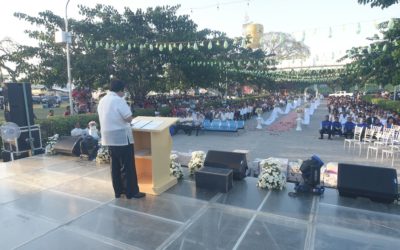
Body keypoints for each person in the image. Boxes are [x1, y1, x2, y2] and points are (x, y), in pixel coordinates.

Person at [97, 79, 145, 199]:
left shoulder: (102, 100)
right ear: (120, 90)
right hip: (121, 137)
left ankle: (118, 191)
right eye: (123, 91)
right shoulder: (118, 100)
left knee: (115, 166)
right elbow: (128, 118)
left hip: (109, 138)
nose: (124, 93)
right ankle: (131, 192)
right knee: (128, 166)